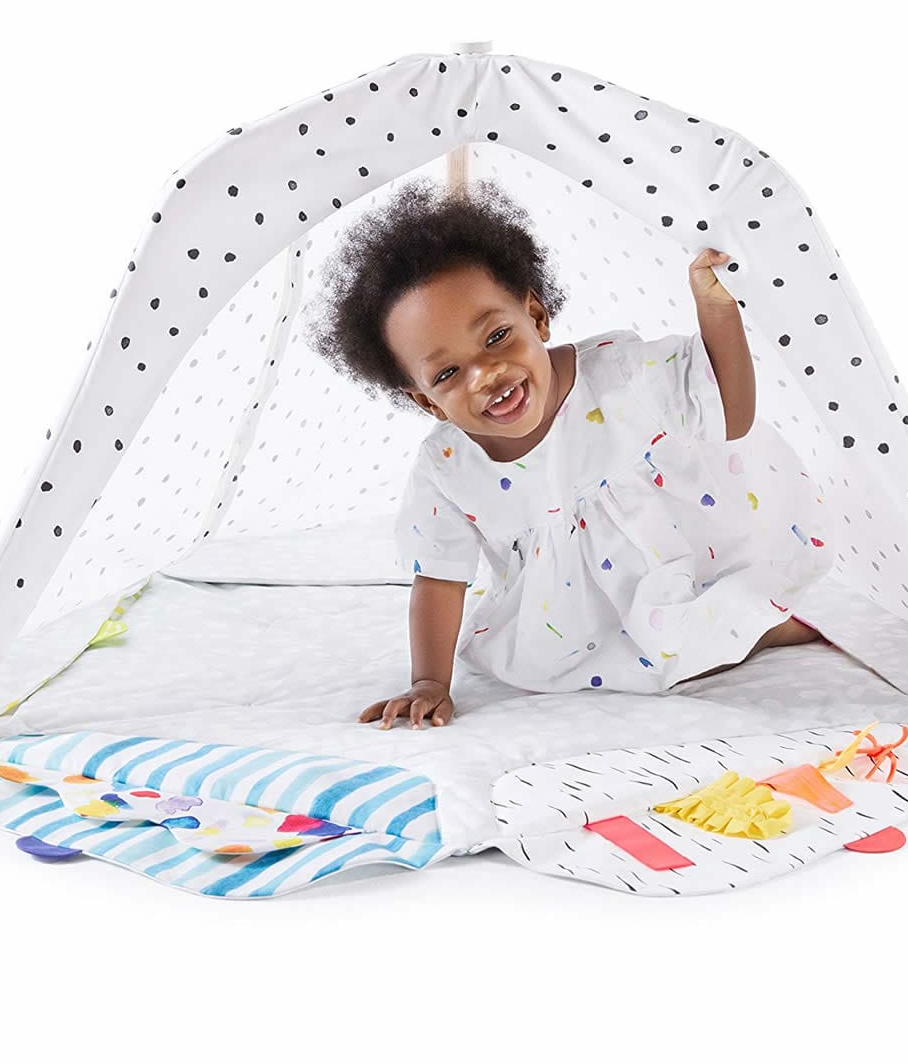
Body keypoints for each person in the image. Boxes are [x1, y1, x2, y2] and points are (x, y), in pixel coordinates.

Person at [306, 179, 832, 730]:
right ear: (427, 402)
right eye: (448, 373)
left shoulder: (621, 374)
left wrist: (717, 307)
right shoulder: (447, 467)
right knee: (571, 663)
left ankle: (756, 628)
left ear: (536, 316)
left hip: (688, 555)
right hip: (570, 618)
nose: (487, 375)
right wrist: (429, 682)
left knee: (720, 623)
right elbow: (439, 578)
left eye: (497, 336)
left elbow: (730, 414)